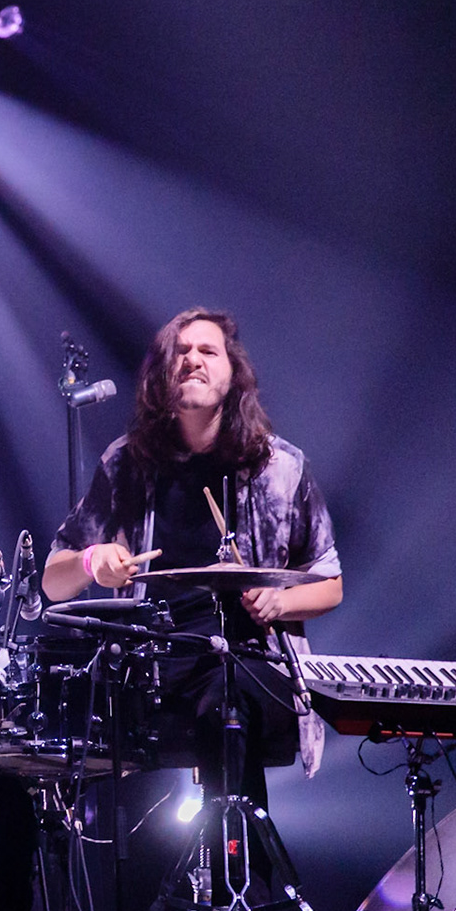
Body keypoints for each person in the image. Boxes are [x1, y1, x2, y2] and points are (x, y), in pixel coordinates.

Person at [40, 308, 342, 809]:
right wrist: (92, 561)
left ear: (233, 372)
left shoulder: (280, 468)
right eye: (180, 352)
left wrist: (281, 603)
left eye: (208, 351)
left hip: (247, 660)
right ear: (162, 373)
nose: (193, 360)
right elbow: (52, 581)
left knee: (228, 703)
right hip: (146, 663)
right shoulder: (127, 463)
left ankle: (238, 851)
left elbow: (330, 583)